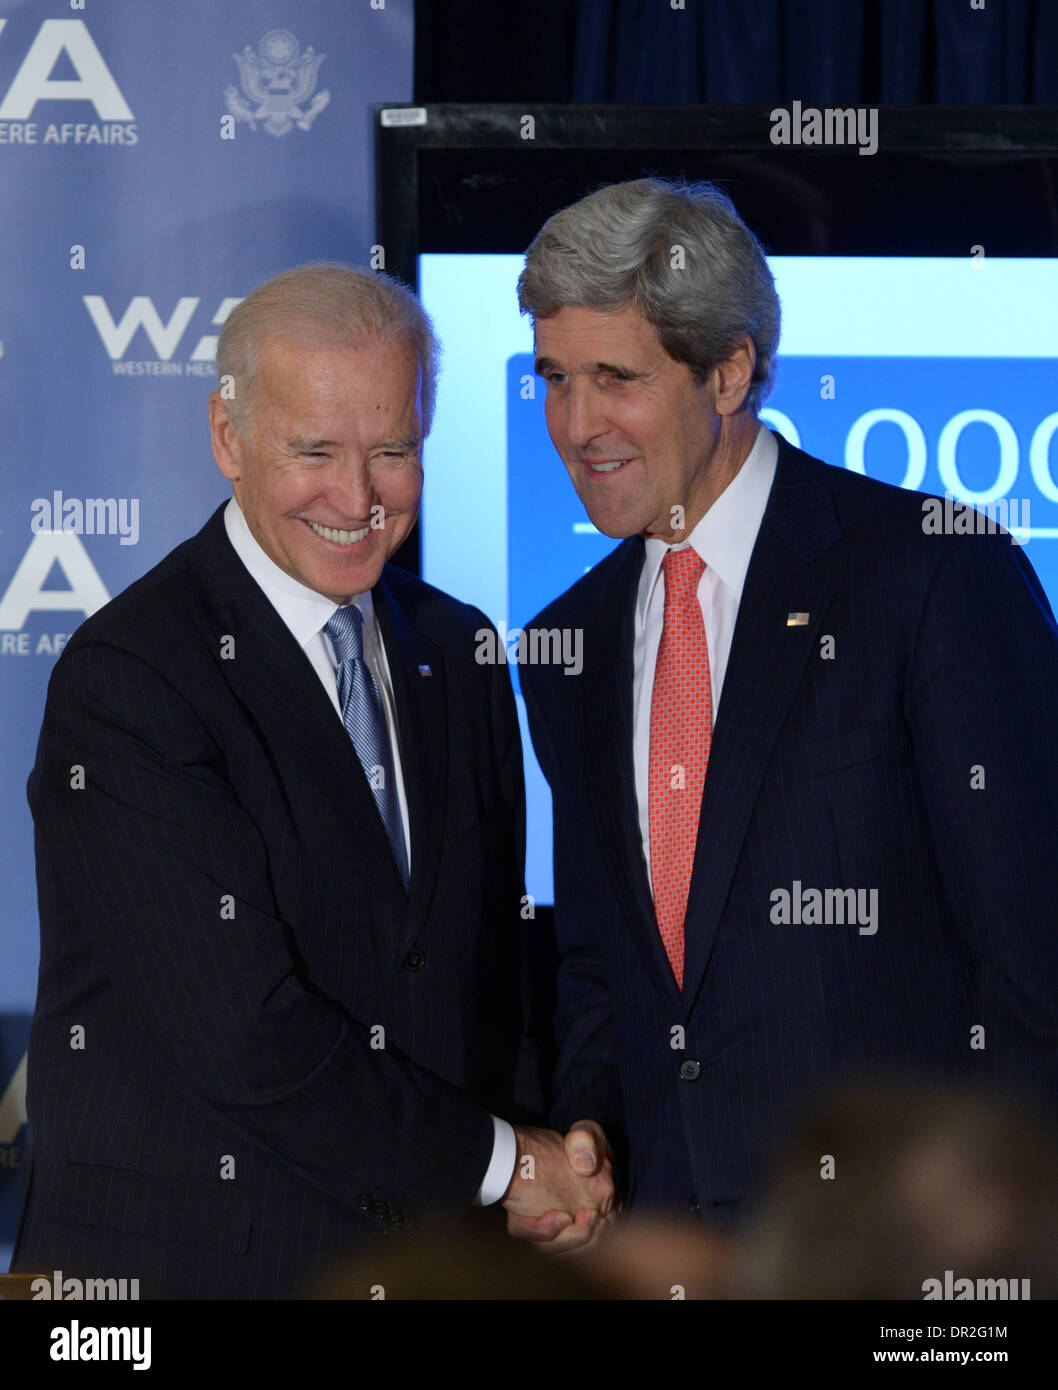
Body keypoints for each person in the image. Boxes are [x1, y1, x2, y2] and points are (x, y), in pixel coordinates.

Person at [11, 264, 613, 1298]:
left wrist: (551, 1161)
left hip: (430, 1263)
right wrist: (508, 1165)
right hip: (190, 1270)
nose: (358, 498)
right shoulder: (133, 678)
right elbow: (243, 1034)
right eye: (315, 452)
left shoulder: (456, 648)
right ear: (228, 436)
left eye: (392, 450)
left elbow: (489, 970)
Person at [516, 179, 1058, 1226]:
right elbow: (599, 974)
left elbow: (1033, 960)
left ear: (727, 371)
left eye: (615, 377)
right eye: (552, 378)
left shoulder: (927, 572)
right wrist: (586, 1148)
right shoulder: (566, 639)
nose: (576, 424)